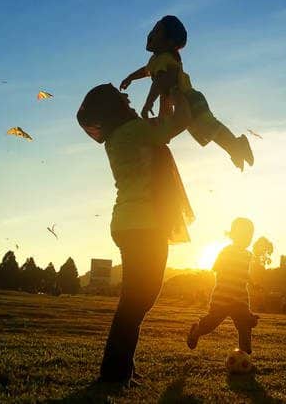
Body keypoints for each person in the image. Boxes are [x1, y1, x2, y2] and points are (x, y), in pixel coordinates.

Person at [77, 82, 194, 385]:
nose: (127, 97)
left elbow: (162, 125)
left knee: (137, 298)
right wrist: (179, 87)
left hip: (130, 223)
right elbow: (179, 122)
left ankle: (121, 367)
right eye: (121, 97)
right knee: (137, 299)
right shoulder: (135, 132)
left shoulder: (121, 135)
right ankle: (114, 373)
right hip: (144, 224)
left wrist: (165, 97)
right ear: (114, 107)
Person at [120, 15, 254, 171]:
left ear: (169, 42)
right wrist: (131, 77)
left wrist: (148, 102)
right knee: (206, 130)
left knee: (208, 127)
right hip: (177, 100)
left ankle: (237, 146)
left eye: (157, 31)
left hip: (188, 98)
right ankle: (235, 148)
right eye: (154, 29)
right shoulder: (156, 60)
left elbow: (161, 81)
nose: (151, 34)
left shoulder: (165, 59)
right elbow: (146, 71)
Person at [186, 218, 259, 355]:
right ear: (233, 235)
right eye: (244, 235)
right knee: (211, 324)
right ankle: (196, 331)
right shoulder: (226, 252)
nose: (247, 239)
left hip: (241, 298)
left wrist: (253, 283)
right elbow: (216, 268)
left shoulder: (248, 255)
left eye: (250, 236)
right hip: (223, 297)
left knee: (244, 325)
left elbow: (245, 273)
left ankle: (244, 353)